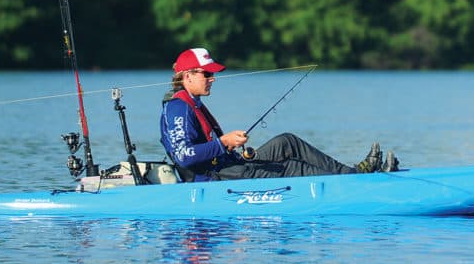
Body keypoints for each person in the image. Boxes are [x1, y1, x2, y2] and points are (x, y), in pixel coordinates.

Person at [160, 47, 398, 182]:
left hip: (229, 165)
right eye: (206, 74)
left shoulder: (195, 103)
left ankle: (354, 174)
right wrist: (224, 142)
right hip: (214, 178)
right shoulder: (178, 108)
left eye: (213, 74)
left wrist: (229, 145)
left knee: (288, 142)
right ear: (187, 76)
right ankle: (353, 184)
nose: (212, 79)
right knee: (291, 167)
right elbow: (183, 156)